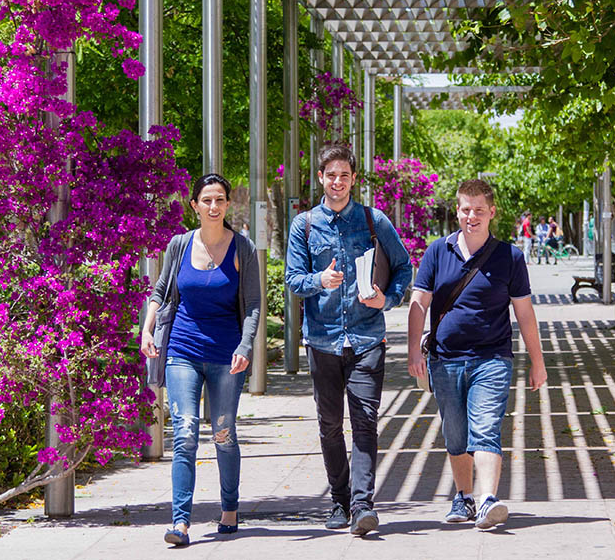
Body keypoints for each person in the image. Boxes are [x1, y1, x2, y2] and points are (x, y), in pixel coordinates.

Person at [285, 144, 412, 536]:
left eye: (344, 175)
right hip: (322, 341)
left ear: (354, 179)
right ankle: (339, 499)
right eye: (330, 175)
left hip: (367, 338)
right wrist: (318, 280)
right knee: (328, 424)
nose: (337, 182)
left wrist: (387, 299)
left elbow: (405, 267)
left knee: (365, 421)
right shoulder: (303, 225)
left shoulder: (374, 221)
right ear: (320, 178)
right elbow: (292, 280)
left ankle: (362, 505)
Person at [406, 179, 547, 530]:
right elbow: (418, 303)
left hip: (492, 358)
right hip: (445, 359)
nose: (472, 216)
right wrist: (413, 351)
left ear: (492, 212)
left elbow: (524, 313)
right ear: (457, 211)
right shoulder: (437, 252)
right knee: (455, 434)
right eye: (466, 210)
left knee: (485, 429)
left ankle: (487, 500)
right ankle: (464, 496)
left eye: (479, 210)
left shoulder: (509, 257)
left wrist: (538, 361)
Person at [140, 173, 261, 547]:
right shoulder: (178, 245)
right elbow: (160, 290)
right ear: (194, 205)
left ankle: (229, 508)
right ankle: (181, 522)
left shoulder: (243, 248)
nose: (213, 206)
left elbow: (254, 305)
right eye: (206, 200)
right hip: (182, 351)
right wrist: (146, 329)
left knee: (223, 433)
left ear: (227, 204)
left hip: (227, 355)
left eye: (220, 200)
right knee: (186, 432)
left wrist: (245, 346)